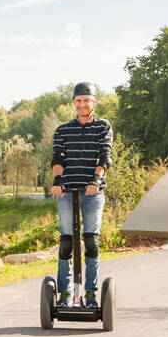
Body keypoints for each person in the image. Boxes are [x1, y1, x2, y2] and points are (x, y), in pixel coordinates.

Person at [49, 82, 114, 307]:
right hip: (67, 192)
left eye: (87, 100)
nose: (83, 104)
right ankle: (65, 295)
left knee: (91, 242)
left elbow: (104, 155)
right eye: (79, 101)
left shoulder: (103, 127)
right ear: (74, 103)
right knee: (66, 242)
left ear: (94, 102)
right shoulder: (63, 130)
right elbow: (58, 158)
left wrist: (96, 180)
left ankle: (90, 294)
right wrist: (58, 182)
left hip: (93, 192)